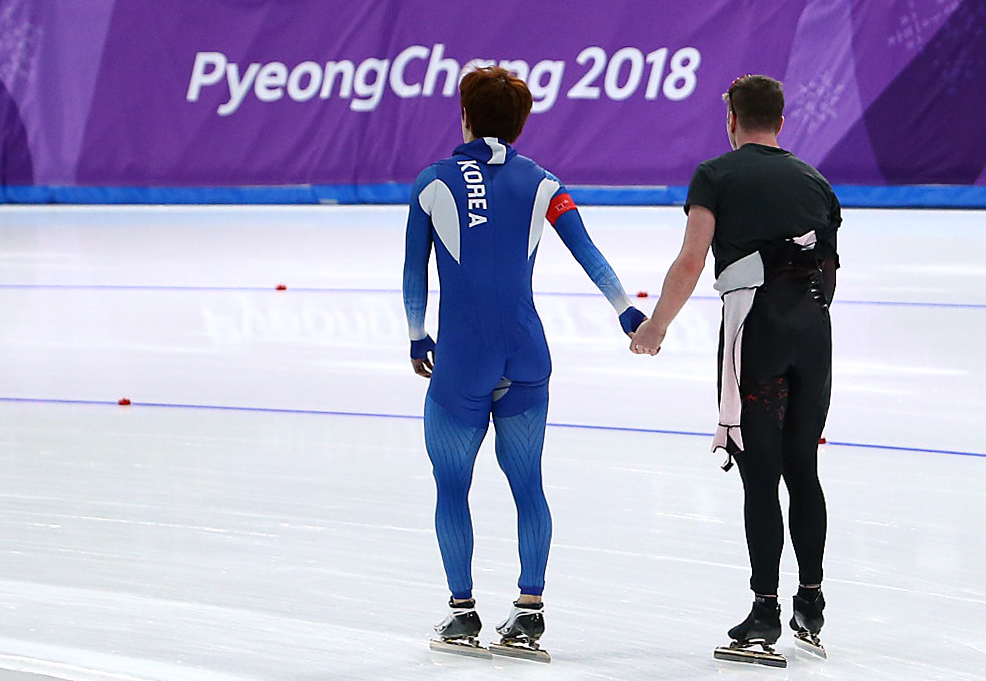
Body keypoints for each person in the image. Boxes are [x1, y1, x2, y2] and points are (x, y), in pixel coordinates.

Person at [403, 66, 645, 658]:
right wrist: (627, 312)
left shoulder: (432, 183)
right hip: (526, 354)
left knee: (452, 486)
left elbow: (414, 273)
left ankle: (462, 615)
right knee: (528, 484)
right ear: (520, 122)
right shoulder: (544, 183)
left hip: (461, 360)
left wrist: (417, 336)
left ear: (464, 114)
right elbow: (587, 251)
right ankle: (529, 614)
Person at [629, 74, 840, 659]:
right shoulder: (815, 179)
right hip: (815, 333)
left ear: (732, 120)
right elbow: (828, 269)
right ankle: (812, 601)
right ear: (781, 120)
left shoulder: (716, 174)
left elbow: (693, 257)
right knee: (803, 469)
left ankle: (765, 610)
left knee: (759, 473)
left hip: (756, 330)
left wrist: (657, 325)